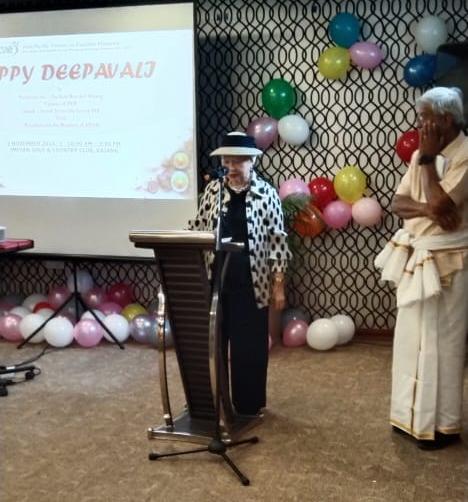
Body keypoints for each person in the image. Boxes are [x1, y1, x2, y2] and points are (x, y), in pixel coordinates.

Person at [375, 87, 468, 450]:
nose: (419, 124)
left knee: (443, 345)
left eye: (425, 117)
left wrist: (428, 163)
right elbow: (399, 203)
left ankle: (442, 426)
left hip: (450, 262)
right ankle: (408, 417)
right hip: (418, 255)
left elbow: (445, 206)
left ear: (445, 119)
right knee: (410, 339)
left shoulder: (463, 154)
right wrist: (430, 208)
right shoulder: (419, 154)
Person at [189, 131, 291, 415]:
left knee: (249, 346)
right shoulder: (213, 191)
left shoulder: (266, 193)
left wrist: (278, 284)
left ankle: (248, 405)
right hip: (215, 279)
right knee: (213, 343)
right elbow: (198, 227)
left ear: (252, 161)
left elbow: (278, 240)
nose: (232, 167)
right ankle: (213, 400)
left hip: (251, 280)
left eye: (238, 161)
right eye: (227, 161)